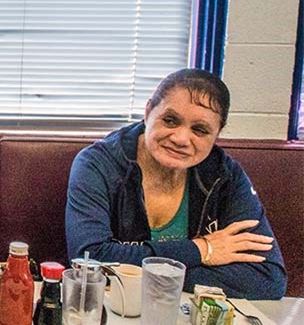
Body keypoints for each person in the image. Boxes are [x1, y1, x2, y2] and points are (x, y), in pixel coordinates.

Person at [65, 68, 286, 299]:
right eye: (170, 120)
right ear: (148, 112)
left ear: (217, 134)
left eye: (200, 130)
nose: (181, 139)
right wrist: (202, 250)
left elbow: (268, 279)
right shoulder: (97, 164)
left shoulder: (225, 176)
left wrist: (149, 273)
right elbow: (89, 259)